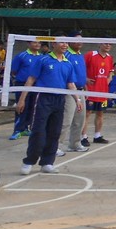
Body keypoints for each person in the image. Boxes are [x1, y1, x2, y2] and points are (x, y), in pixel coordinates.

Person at [16, 36, 78, 175]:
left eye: (66, 42)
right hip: (43, 98)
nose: (65, 45)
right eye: (61, 42)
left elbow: (70, 84)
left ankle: (47, 162)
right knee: (38, 131)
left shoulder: (68, 63)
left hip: (60, 99)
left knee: (54, 132)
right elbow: (31, 79)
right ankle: (29, 161)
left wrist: (77, 100)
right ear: (53, 44)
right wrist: (22, 99)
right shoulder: (43, 60)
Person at [59, 31, 88, 154]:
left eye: (81, 40)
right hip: (70, 91)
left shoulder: (80, 55)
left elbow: (81, 73)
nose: (79, 42)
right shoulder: (67, 55)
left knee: (79, 120)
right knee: (66, 121)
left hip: (81, 90)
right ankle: (56, 146)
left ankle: (75, 144)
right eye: (76, 40)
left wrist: (85, 86)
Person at [9, 39, 41, 139]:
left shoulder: (42, 57)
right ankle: (17, 130)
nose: (37, 44)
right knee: (21, 106)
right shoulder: (21, 56)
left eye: (39, 43)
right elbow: (13, 70)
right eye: (35, 42)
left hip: (36, 85)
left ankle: (26, 128)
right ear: (29, 43)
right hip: (22, 84)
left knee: (32, 107)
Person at [82, 41, 114, 145]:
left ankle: (97, 135)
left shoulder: (109, 57)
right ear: (99, 44)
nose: (108, 45)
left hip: (103, 91)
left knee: (100, 113)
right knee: (87, 113)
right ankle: (83, 137)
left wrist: (109, 78)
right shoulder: (90, 55)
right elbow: (80, 68)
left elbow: (111, 72)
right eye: (105, 43)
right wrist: (85, 79)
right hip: (90, 90)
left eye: (110, 44)